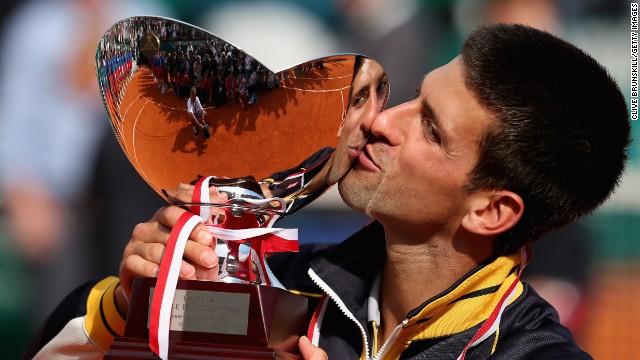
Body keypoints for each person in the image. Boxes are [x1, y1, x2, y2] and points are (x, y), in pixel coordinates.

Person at [24, 24, 630, 359]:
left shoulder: (532, 357)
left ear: (492, 210)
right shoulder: (278, 287)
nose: (382, 121)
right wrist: (131, 308)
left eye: (431, 129)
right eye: (414, 98)